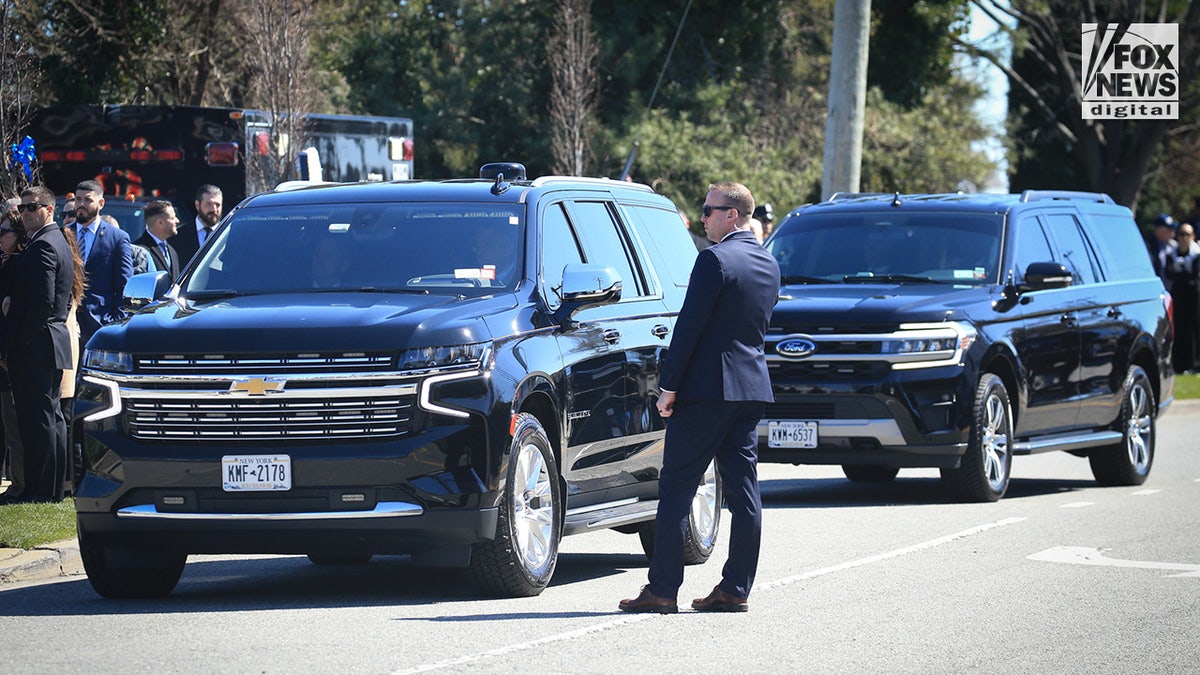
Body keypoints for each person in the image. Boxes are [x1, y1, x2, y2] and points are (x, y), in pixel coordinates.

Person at [619, 181, 781, 614]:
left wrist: (668, 388)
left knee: (676, 489)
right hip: (749, 390)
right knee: (745, 493)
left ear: (733, 214)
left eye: (709, 210)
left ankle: (662, 590)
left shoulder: (713, 260)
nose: (703, 216)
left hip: (708, 391)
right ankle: (735, 588)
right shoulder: (768, 263)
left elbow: (688, 328)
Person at [2, 186, 74, 503]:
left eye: (33, 207)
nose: (26, 212)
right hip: (46, 341)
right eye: (24, 208)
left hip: (38, 343)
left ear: (49, 209)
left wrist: (19, 339)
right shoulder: (49, 241)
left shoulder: (45, 244)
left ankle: (42, 491)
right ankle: (49, 489)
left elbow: (42, 304)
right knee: (49, 416)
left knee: (41, 418)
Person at [73, 180, 133, 350]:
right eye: (78, 199)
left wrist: (115, 321)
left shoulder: (117, 238)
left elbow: (124, 284)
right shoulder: (63, 234)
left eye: (87, 200)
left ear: (101, 203)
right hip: (66, 322)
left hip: (99, 321)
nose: (81, 205)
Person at [0, 215, 27, 497]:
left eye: (4, 232)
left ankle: (19, 482)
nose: (0, 237)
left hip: (9, 354)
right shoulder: (8, 262)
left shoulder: (17, 265)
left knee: (14, 423)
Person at [1167, 222, 1200, 374]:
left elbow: (1195, 274)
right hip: (1179, 294)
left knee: (1194, 328)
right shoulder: (1172, 253)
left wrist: (1181, 275)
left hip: (1194, 295)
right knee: (1178, 328)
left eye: (1187, 234)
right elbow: (1169, 273)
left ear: (1192, 236)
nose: (1184, 237)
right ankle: (1179, 364)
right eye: (1181, 234)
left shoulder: (1196, 253)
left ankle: (1194, 364)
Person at [172, 184, 223, 265]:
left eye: (217, 205)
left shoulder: (228, 234)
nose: (214, 209)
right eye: (209, 204)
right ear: (197, 205)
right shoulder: (178, 237)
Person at [135, 200, 181, 279]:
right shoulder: (139, 251)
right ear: (160, 222)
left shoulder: (172, 251)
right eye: (172, 218)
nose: (177, 221)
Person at [1147, 213, 1178, 289]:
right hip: (1155, 288)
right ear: (1159, 229)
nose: (1173, 231)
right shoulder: (1148, 246)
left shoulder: (1173, 246)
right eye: (1169, 228)